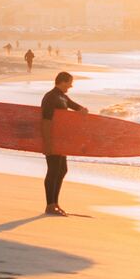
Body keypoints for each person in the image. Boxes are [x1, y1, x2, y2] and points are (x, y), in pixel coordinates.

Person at [38, 71, 87, 216]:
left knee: (62, 170)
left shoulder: (62, 97)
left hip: (61, 141)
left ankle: (55, 203)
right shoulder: (50, 97)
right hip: (52, 139)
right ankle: (50, 205)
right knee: (53, 171)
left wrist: (82, 110)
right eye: (69, 83)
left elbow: (73, 105)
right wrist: (47, 143)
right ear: (62, 82)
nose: (71, 86)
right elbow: (46, 121)